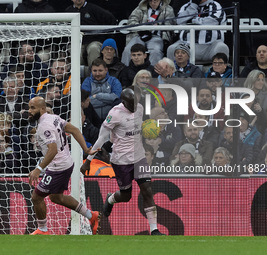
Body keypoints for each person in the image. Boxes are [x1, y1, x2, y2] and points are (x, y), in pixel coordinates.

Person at [81, 87, 165, 235]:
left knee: (147, 190)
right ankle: (111, 199)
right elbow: (102, 138)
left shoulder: (139, 108)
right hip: (121, 160)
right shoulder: (114, 114)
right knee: (126, 196)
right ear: (124, 102)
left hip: (139, 157)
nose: (134, 106)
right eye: (131, 104)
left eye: (135, 103)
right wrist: (89, 159)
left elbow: (139, 127)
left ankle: (154, 229)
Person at [27, 96, 100, 235]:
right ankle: (92, 216)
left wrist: (38, 169)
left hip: (58, 167)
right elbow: (74, 130)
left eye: (32, 108)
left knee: (36, 197)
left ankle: (42, 230)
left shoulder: (44, 126)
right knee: (56, 197)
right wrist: (85, 149)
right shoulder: (54, 118)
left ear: (42, 109)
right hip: (66, 162)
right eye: (29, 107)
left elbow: (52, 150)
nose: (29, 111)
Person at [121, 0, 175, 66]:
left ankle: (154, 74)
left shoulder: (168, 9)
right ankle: (124, 72)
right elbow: (131, 21)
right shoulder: (140, 7)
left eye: (155, 1)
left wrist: (159, 26)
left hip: (157, 36)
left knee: (156, 51)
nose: (153, 3)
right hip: (139, 35)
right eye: (150, 1)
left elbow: (170, 25)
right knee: (128, 50)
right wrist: (143, 27)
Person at [65, 0, 117, 67]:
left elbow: (111, 19)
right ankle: (78, 76)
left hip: (94, 41)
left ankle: (94, 74)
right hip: (77, 42)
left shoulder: (94, 9)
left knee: (93, 48)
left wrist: (108, 37)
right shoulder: (68, 11)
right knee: (75, 50)